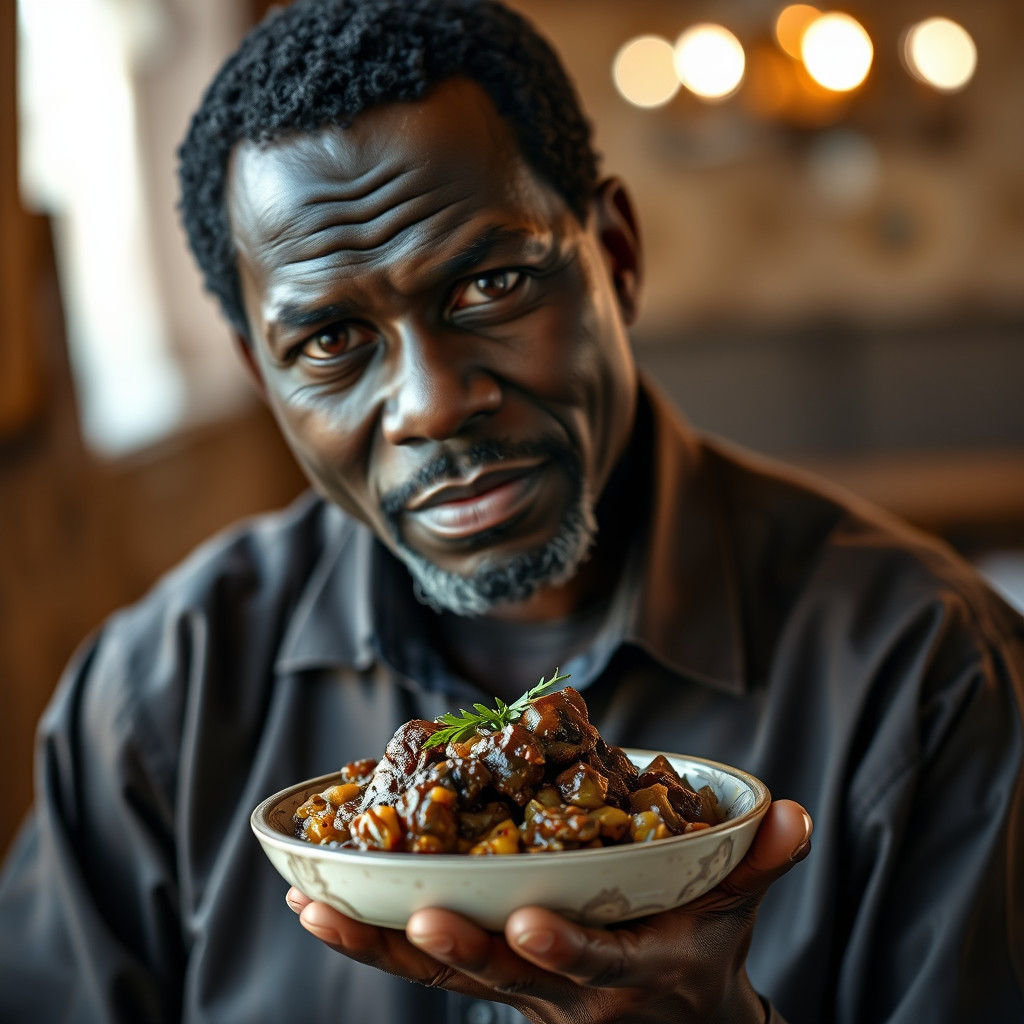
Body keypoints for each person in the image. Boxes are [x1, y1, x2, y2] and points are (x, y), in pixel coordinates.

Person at [1, 0, 1021, 1020]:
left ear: (616, 255)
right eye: (330, 342)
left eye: (491, 284)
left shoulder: (931, 672)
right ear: (260, 372)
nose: (432, 404)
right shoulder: (155, 701)